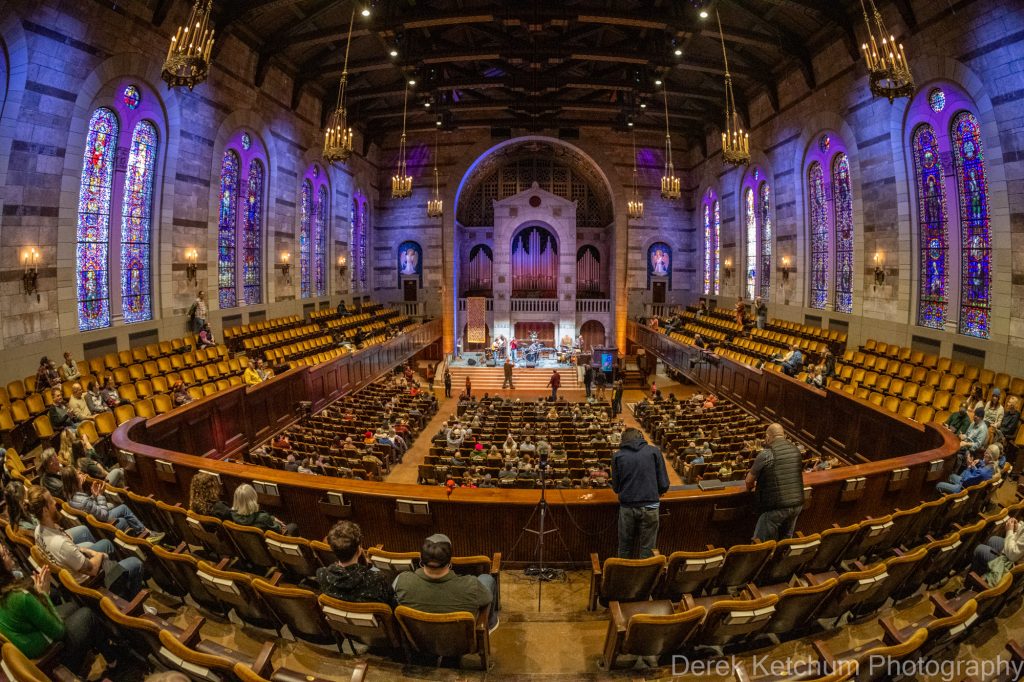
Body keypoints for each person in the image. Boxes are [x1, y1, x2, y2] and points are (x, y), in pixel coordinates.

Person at [0, 539, 119, 674]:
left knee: (72, 607)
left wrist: (41, 595)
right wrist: (44, 595)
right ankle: (114, 662)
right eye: (4, 555)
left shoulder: (7, 593)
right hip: (51, 655)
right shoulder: (19, 597)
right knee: (87, 614)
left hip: (34, 647)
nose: (8, 552)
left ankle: (98, 645)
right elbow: (59, 631)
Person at [27, 486, 145, 601]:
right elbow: (92, 569)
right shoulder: (61, 544)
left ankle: (120, 585)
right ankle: (130, 601)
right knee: (136, 563)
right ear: (45, 510)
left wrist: (89, 551)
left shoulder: (38, 531)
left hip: (75, 567)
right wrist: (100, 555)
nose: (55, 503)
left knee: (106, 544)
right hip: (91, 581)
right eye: (51, 502)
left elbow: (70, 549)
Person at [393, 533, 498, 632]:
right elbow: (487, 598)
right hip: (462, 646)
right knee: (486, 578)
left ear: (421, 559)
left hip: (419, 644)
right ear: (450, 561)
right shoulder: (472, 585)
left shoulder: (402, 581)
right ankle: (490, 623)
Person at [610, 428, 669, 559]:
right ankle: (643, 578)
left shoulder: (618, 456)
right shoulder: (654, 451)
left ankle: (625, 576)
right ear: (641, 437)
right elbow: (664, 484)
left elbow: (616, 488)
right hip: (651, 506)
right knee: (648, 548)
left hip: (627, 507)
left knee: (624, 546)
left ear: (623, 440)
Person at [61, 468, 162, 541]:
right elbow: (104, 515)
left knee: (114, 506)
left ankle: (143, 531)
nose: (81, 475)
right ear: (74, 481)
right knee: (123, 508)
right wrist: (99, 496)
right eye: (77, 474)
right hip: (103, 523)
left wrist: (94, 495)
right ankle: (147, 533)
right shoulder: (82, 500)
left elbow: (88, 506)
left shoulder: (70, 497)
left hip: (96, 521)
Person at [746, 423, 804, 542]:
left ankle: (760, 560)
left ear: (768, 437)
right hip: (797, 503)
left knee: (760, 543)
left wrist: (752, 487)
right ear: (783, 435)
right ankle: (778, 560)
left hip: (777, 505)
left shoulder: (766, 454)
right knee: (785, 542)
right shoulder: (796, 450)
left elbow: (748, 481)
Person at [317, 521, 396, 606]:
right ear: (359, 550)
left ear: (333, 551)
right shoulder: (377, 579)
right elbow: (391, 607)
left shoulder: (322, 574)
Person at [230, 483, 295, 535]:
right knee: (293, 526)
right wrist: (278, 524)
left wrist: (272, 518)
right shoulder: (263, 517)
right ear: (253, 497)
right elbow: (278, 530)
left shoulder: (233, 514)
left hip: (250, 546)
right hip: (272, 542)